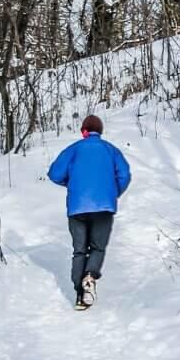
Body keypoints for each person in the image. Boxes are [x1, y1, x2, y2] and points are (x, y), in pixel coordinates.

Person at [48, 115, 132, 310]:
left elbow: (54, 174)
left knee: (79, 250)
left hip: (77, 207)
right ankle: (90, 276)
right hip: (103, 207)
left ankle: (80, 295)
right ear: (100, 131)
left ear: (84, 131)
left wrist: (70, 183)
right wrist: (113, 192)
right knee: (97, 247)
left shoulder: (74, 149)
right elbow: (125, 174)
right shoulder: (111, 150)